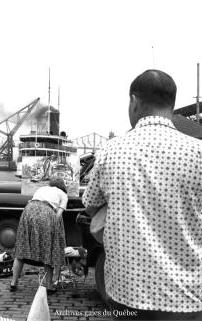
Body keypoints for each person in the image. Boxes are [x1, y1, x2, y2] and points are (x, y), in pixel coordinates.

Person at [82, 69, 202, 320]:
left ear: (134, 101)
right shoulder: (198, 152)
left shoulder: (111, 151)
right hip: (188, 296)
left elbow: (91, 206)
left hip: (128, 294)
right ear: (172, 103)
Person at [10, 177, 68, 294]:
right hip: (46, 212)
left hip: (28, 210)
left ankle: (13, 282)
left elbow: (34, 201)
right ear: (63, 187)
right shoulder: (63, 194)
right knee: (48, 251)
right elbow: (58, 215)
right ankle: (49, 285)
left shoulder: (42, 188)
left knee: (22, 248)